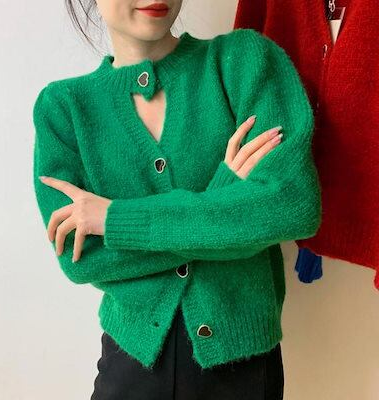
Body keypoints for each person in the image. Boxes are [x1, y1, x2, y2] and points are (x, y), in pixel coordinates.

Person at [32, 0, 322, 399]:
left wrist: (115, 220)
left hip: (245, 369)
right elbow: (83, 258)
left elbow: (292, 206)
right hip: (130, 366)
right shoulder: (64, 108)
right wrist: (227, 196)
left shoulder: (242, 62)